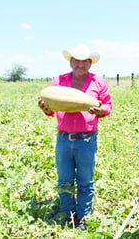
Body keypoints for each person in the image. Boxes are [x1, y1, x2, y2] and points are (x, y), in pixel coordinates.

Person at [38, 44, 112, 230]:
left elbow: (107, 107)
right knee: (64, 179)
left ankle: (83, 218)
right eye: (76, 61)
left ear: (90, 63)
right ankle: (68, 214)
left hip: (87, 139)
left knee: (85, 180)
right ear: (71, 62)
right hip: (64, 138)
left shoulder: (98, 82)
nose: (80, 64)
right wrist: (46, 108)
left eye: (84, 61)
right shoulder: (58, 81)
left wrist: (101, 109)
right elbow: (51, 108)